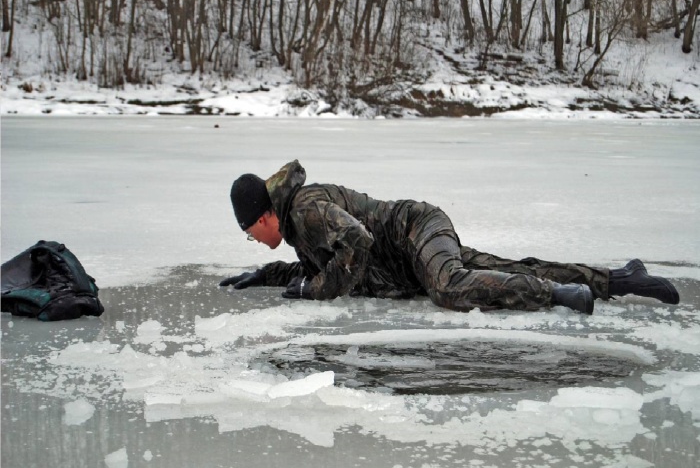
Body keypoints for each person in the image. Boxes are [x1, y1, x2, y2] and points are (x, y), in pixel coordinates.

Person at [220, 160, 679, 315]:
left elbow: (356, 242)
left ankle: (557, 294)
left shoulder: (305, 208)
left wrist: (317, 291)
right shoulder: (298, 227)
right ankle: (620, 279)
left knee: (449, 288)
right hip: (409, 261)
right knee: (502, 271)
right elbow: (317, 266)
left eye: (250, 236)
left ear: (262, 218)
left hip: (415, 230)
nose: (255, 241)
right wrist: (266, 274)